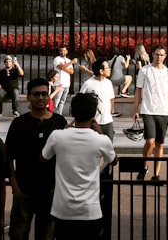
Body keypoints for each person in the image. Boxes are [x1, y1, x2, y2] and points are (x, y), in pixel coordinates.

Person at [41, 91, 117, 239]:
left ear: (72, 112)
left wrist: (64, 132)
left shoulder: (58, 136)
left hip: (63, 208)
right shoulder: (101, 140)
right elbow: (113, 160)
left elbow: (43, 158)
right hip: (90, 209)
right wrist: (101, 133)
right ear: (94, 114)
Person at [5, 77, 68, 240]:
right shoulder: (19, 123)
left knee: (46, 235)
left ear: (49, 96)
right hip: (24, 189)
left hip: (50, 190)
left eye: (44, 94)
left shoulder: (59, 122)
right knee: (18, 235)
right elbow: (8, 156)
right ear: (28, 96)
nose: (41, 98)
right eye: (36, 94)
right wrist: (15, 187)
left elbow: (66, 156)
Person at [131, 44, 168, 180]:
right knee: (150, 141)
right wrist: (136, 109)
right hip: (148, 109)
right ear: (152, 54)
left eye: (162, 55)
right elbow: (138, 90)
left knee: (159, 143)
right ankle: (144, 166)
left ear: (165, 56)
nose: (159, 57)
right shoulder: (145, 71)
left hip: (163, 111)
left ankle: (156, 173)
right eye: (157, 54)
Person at [80, 59, 117, 141]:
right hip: (93, 123)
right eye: (107, 68)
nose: (110, 69)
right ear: (101, 71)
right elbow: (80, 100)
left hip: (107, 122)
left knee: (108, 147)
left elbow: (111, 98)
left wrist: (111, 110)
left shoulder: (108, 83)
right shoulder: (88, 84)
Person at [49, 46, 76, 115]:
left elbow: (71, 71)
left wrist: (64, 67)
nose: (62, 52)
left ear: (66, 51)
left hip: (67, 83)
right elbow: (61, 67)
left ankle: (59, 114)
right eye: (61, 51)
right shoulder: (57, 59)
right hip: (59, 83)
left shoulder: (68, 60)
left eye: (64, 51)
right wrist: (71, 62)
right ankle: (54, 114)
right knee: (56, 101)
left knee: (62, 101)